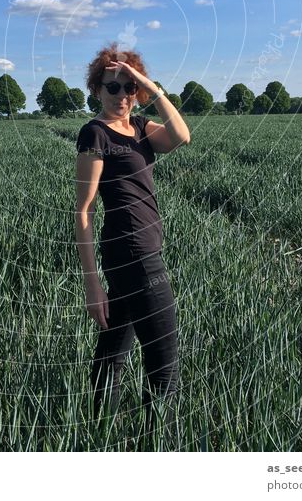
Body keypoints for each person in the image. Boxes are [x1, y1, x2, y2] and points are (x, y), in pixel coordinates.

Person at [74, 44, 191, 450]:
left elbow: (182, 136)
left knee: (112, 352)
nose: (121, 95)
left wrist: (150, 87)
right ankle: (156, 454)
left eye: (128, 87)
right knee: (164, 365)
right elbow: (83, 210)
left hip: (141, 251)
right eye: (112, 87)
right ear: (97, 89)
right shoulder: (95, 132)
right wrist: (93, 285)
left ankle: (99, 436)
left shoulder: (140, 128)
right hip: (132, 256)